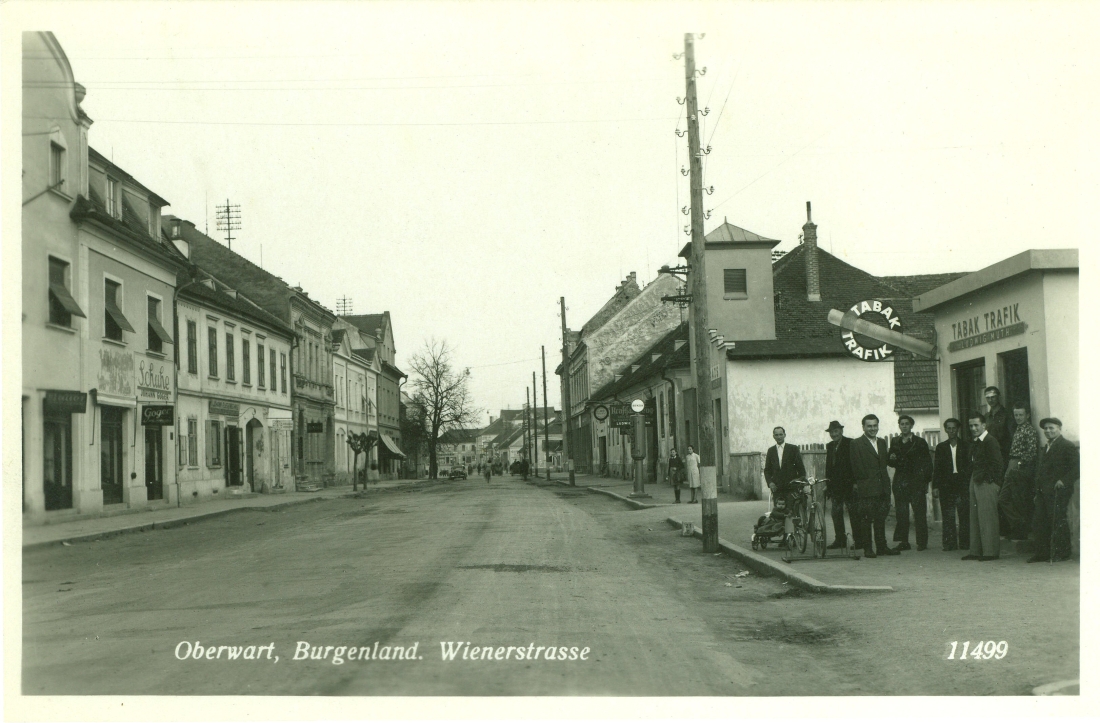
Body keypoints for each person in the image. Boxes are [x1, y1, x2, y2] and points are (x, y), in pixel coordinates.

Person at [1028, 418, 1079, 563]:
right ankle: (1042, 553)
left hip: (1059, 491)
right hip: (1044, 491)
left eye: (1052, 428)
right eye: (1046, 429)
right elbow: (1041, 471)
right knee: (1040, 521)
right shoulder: (1046, 447)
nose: (1048, 431)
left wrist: (1063, 481)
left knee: (1057, 520)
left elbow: (1077, 468)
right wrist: (1038, 490)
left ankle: (1062, 553)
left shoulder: (1066, 445)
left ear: (1059, 428)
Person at [849, 414, 899, 558]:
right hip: (867, 487)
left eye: (875, 425)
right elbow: (856, 466)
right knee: (866, 519)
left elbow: (883, 463)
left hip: (883, 487)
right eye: (869, 426)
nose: (872, 429)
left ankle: (882, 547)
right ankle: (868, 549)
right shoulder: (856, 443)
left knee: (880, 518)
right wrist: (864, 484)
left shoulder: (882, 442)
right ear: (863, 427)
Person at [962, 413, 1004, 561]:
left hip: (986, 482)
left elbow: (998, 465)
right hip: (976, 479)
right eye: (971, 426)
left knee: (987, 517)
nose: (973, 428)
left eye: (976, 425)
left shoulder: (990, 441)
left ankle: (990, 552)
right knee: (974, 516)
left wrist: (992, 482)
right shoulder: (976, 441)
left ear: (984, 426)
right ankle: (976, 551)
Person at [887, 415, 933, 551]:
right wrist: (892, 458)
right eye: (902, 424)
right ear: (899, 426)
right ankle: (904, 542)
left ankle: (922, 542)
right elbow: (890, 462)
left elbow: (927, 464)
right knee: (901, 513)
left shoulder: (920, 442)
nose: (904, 426)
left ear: (911, 426)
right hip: (900, 481)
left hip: (916, 481)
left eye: (907, 423)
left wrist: (926, 482)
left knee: (919, 513)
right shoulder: (895, 441)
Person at [999, 402, 1039, 540]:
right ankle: (1018, 524)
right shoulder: (1017, 428)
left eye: (1021, 414)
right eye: (1016, 415)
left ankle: (1021, 528)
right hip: (1012, 463)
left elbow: (1032, 453)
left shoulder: (1030, 430)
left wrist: (1019, 465)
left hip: (1020, 466)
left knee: (1015, 499)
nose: (1018, 417)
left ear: (1027, 415)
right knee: (1004, 498)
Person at [932, 418, 971, 551]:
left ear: (958, 429)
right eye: (949, 428)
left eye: (954, 428)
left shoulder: (966, 446)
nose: (951, 431)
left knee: (964, 514)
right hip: (946, 485)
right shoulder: (941, 447)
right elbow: (937, 468)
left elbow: (969, 467)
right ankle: (949, 544)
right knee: (948, 515)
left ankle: (965, 543)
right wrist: (935, 486)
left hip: (962, 484)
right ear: (945, 430)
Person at [824, 420, 861, 549]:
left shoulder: (850, 443)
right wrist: (827, 485)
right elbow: (829, 467)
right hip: (835, 487)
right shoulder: (829, 446)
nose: (834, 434)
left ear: (841, 431)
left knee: (854, 513)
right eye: (831, 432)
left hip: (849, 486)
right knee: (836, 513)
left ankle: (859, 541)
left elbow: (856, 465)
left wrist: (856, 483)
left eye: (836, 431)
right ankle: (840, 540)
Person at [764, 426, 806, 499]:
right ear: (773, 436)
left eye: (781, 434)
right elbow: (767, 470)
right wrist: (770, 483)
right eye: (776, 435)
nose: (779, 437)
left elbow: (801, 468)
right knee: (778, 509)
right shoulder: (771, 451)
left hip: (791, 487)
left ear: (784, 435)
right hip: (777, 488)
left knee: (791, 509)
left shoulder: (793, 449)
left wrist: (798, 480)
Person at [983, 387, 1011, 474]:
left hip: (1004, 454)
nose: (990, 400)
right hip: (990, 456)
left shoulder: (1007, 414)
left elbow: (1011, 436)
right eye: (988, 397)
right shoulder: (986, 417)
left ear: (998, 396)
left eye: (993, 397)